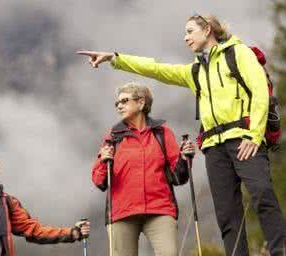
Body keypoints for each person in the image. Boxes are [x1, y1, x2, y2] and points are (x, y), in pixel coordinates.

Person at [78, 14, 286, 256]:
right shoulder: (195, 71)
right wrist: (115, 59)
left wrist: (253, 134)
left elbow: (260, 91)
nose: (185, 38)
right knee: (227, 213)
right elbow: (157, 69)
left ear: (207, 29)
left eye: (190, 31)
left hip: (244, 138)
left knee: (262, 193)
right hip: (213, 146)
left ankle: (279, 250)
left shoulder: (239, 54)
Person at [91, 82, 194, 256]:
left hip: (160, 209)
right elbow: (99, 181)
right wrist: (103, 160)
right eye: (117, 103)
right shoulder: (113, 137)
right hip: (122, 212)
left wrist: (185, 158)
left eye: (124, 101)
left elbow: (179, 177)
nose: (119, 106)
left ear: (141, 103)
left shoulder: (162, 133)